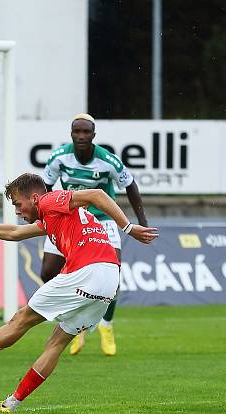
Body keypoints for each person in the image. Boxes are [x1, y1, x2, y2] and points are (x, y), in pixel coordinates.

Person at [0, 172, 157, 412]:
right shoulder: (53, 216)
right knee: (56, 343)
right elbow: (14, 234)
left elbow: (97, 194)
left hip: (86, 271)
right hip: (109, 279)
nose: (18, 211)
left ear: (35, 197)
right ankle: (12, 403)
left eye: (18, 204)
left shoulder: (51, 201)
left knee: (22, 319)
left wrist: (128, 227)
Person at [41, 114, 148, 356]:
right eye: (76, 132)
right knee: (48, 271)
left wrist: (141, 221)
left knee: (114, 274)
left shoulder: (107, 160)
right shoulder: (59, 157)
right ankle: (75, 323)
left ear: (93, 135)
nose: (81, 136)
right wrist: (49, 214)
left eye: (86, 132)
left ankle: (106, 326)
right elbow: (46, 186)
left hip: (103, 220)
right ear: (71, 134)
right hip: (69, 219)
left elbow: (130, 184)